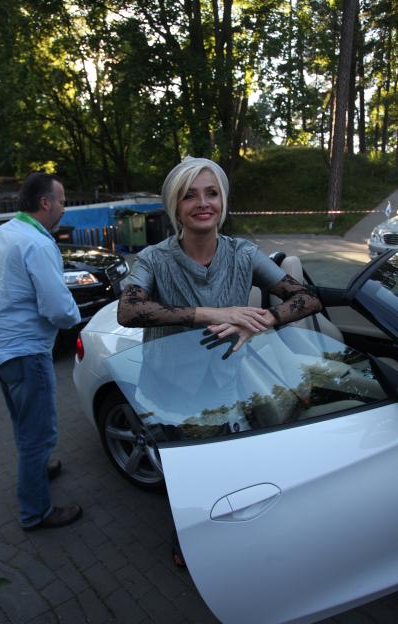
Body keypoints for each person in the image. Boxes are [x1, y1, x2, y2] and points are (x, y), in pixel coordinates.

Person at [117, 156, 322, 566]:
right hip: (170, 392)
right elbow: (129, 309)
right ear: (175, 206)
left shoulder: (242, 253)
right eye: (189, 195)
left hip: (226, 387)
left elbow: (307, 298)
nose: (202, 203)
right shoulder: (154, 258)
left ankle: (230, 536)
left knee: (230, 469)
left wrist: (264, 320)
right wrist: (212, 313)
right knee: (184, 478)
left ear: (223, 200)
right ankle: (187, 541)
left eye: (211, 193)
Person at [0, 172, 83, 530]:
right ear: (45, 203)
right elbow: (58, 307)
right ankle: (36, 512)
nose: (64, 208)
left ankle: (38, 469)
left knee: (24, 421)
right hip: (24, 351)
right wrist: (77, 318)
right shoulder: (37, 243)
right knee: (39, 433)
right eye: (62, 201)